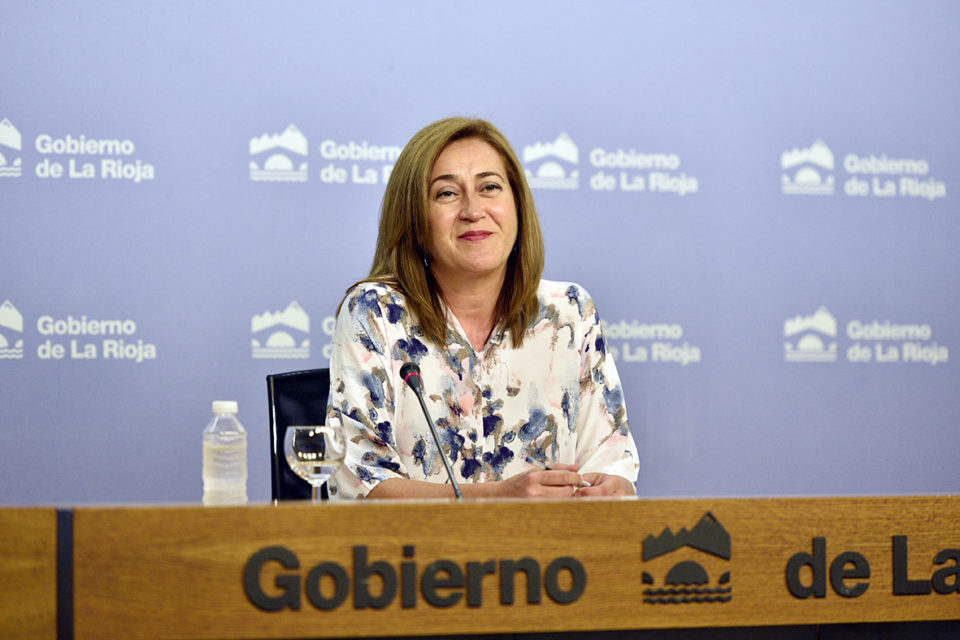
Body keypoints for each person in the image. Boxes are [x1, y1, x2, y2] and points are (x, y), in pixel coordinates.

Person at [326, 117, 638, 499]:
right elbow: (359, 484)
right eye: (446, 194)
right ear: (415, 219)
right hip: (415, 557)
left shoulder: (569, 313)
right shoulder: (375, 313)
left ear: (517, 206)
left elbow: (611, 463)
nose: (474, 210)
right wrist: (499, 500)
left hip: (555, 556)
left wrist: (612, 489)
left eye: (490, 187)